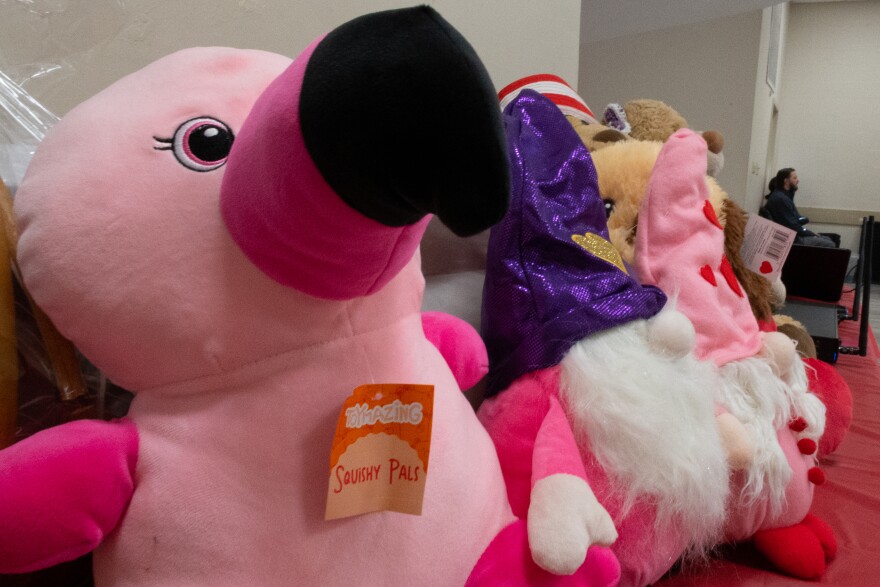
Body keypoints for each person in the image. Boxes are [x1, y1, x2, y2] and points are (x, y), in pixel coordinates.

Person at [761, 168, 836, 248]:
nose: (797, 180)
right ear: (786, 181)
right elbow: (793, 226)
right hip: (793, 240)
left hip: (794, 236)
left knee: (829, 238)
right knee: (830, 244)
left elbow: (794, 221)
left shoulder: (782, 196)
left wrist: (808, 230)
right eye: (794, 178)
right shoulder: (781, 199)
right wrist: (812, 234)